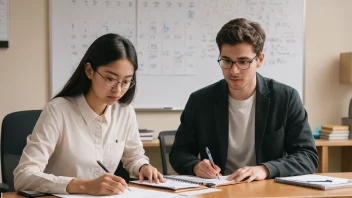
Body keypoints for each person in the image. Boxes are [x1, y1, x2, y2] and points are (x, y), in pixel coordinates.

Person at [169, 18, 318, 183]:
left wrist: (265, 169)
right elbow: (179, 152)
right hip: (218, 189)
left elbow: (308, 156)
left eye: (243, 62)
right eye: (226, 61)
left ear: (259, 60)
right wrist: (195, 166)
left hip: (267, 188)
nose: (234, 70)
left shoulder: (285, 98)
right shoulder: (200, 100)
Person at [14, 33, 164, 195]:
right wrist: (83, 185)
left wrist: (143, 166)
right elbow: (23, 176)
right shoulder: (58, 110)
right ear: (89, 71)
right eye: (110, 79)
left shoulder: (125, 113)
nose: (118, 90)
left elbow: (134, 157)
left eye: (126, 81)